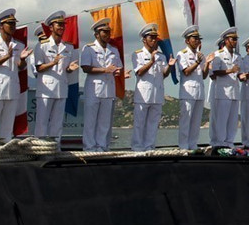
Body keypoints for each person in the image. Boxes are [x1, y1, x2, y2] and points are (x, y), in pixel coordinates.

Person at [0, 8, 32, 142]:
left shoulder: (19, 45)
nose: (13, 27)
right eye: (9, 24)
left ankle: (5, 150)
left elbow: (20, 68)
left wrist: (22, 60)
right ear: (0, 26)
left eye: (14, 24)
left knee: (7, 127)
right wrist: (7, 56)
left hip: (12, 89)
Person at [80, 17, 128, 152]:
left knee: (104, 122)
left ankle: (101, 146)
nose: (107, 35)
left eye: (108, 32)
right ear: (97, 34)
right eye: (104, 32)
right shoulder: (89, 49)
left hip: (108, 88)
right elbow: (85, 67)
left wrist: (117, 72)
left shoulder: (114, 50)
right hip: (93, 88)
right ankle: (89, 147)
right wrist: (105, 70)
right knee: (90, 121)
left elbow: (118, 67)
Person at [33, 10, 79, 141]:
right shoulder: (42, 46)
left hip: (61, 88)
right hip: (46, 89)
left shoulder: (68, 47)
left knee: (57, 122)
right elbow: (39, 68)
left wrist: (70, 69)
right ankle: (39, 147)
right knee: (42, 121)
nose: (61, 27)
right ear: (51, 27)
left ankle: (55, 146)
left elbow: (66, 69)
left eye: (63, 24)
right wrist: (53, 63)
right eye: (58, 24)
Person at [131, 23, 173, 152]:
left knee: (153, 123)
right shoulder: (137, 54)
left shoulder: (161, 56)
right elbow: (139, 72)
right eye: (151, 37)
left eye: (155, 37)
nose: (154, 40)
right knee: (140, 123)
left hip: (157, 93)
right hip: (143, 94)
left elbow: (163, 74)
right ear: (144, 39)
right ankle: (137, 147)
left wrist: (170, 66)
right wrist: (151, 61)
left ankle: (149, 146)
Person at [176, 25, 209, 150]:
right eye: (194, 38)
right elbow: (186, 72)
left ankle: (193, 144)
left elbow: (204, 75)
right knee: (186, 120)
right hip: (188, 92)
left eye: (198, 38)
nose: (197, 40)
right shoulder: (182, 54)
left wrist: (207, 63)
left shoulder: (200, 55)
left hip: (199, 91)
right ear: (187, 40)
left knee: (196, 121)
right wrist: (197, 62)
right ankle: (183, 145)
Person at [208, 27, 241, 149]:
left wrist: (242, 75)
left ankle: (229, 142)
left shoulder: (237, 57)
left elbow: (239, 73)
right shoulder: (218, 55)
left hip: (234, 91)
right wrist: (229, 70)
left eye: (236, 39)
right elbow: (214, 73)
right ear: (226, 40)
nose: (235, 41)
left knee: (232, 119)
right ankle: (220, 143)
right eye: (233, 39)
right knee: (221, 119)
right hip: (223, 92)